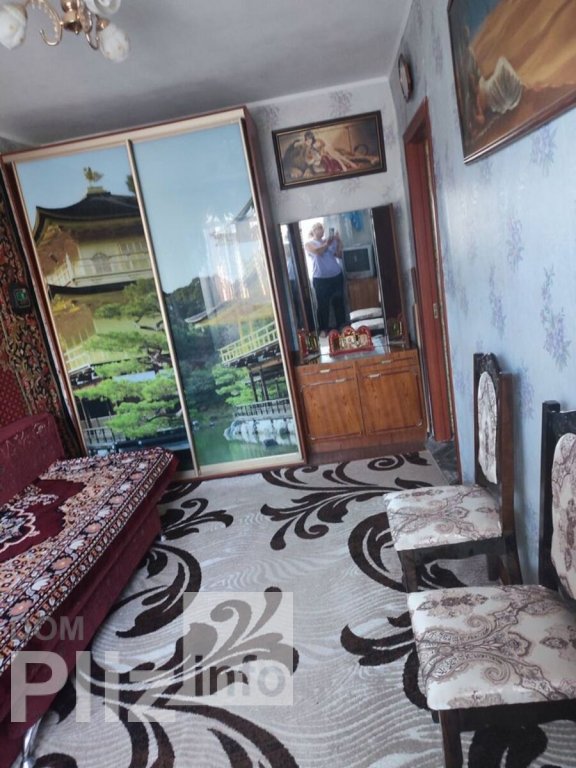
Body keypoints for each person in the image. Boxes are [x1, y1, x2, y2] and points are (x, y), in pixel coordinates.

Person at [304, 222, 346, 336]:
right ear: (313, 231)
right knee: (323, 305)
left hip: (336, 276)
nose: (321, 230)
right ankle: (323, 329)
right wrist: (327, 243)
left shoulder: (329, 241)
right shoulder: (309, 244)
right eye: (318, 228)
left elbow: (339, 255)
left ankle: (341, 325)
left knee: (339, 302)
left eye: (322, 228)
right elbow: (318, 252)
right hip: (320, 279)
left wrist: (338, 241)